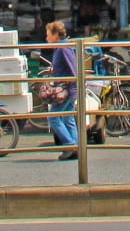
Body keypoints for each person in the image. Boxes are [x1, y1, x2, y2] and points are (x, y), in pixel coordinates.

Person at [40, 21, 81, 160]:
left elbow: (73, 69)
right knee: (68, 118)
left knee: (53, 117)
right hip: (68, 89)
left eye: (48, 35)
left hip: (66, 90)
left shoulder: (63, 48)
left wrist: (70, 87)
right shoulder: (60, 48)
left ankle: (70, 145)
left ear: (56, 35)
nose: (47, 39)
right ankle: (76, 147)